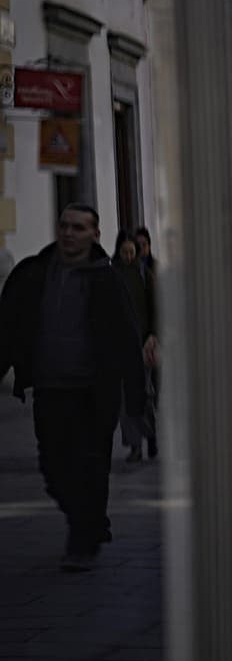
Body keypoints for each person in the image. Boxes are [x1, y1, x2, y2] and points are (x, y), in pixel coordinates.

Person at [0, 204, 146, 571]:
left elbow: (128, 338)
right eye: (64, 226)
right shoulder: (35, 273)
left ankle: (82, 541)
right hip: (49, 389)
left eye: (79, 228)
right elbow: (9, 330)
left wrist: (137, 398)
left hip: (93, 393)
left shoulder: (106, 279)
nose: (69, 234)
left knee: (91, 467)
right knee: (53, 467)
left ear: (95, 235)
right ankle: (90, 521)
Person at [112, 233, 158, 461]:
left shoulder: (144, 275)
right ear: (118, 252)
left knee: (144, 394)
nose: (129, 256)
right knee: (125, 398)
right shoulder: (111, 276)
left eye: (132, 252)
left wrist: (153, 335)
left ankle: (150, 435)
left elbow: (156, 308)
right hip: (120, 347)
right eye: (125, 252)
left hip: (143, 343)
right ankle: (135, 445)